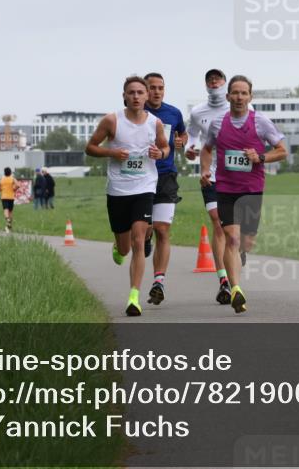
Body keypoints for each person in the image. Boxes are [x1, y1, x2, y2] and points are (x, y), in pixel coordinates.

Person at [199, 75, 288, 314]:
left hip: (252, 190)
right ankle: (236, 289)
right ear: (227, 96)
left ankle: (240, 257)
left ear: (250, 97)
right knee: (232, 238)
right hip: (225, 188)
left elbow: (282, 151)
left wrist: (260, 157)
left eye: (243, 93)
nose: (239, 97)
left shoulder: (261, 122)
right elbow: (207, 149)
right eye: (235, 93)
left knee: (246, 242)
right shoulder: (217, 124)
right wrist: (205, 170)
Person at [85, 76, 169, 317]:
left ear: (146, 96)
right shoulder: (112, 120)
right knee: (124, 248)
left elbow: (165, 148)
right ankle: (117, 248)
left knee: (139, 240)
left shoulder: (155, 123)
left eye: (140, 92)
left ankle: (134, 296)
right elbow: (90, 147)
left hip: (144, 186)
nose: (135, 96)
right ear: (124, 96)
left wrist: (159, 153)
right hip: (118, 190)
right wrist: (111, 152)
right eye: (131, 92)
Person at [185, 69, 235, 304]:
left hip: (237, 175)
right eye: (210, 79)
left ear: (225, 83)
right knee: (217, 221)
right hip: (211, 174)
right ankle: (224, 280)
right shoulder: (197, 112)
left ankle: (235, 251)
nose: (214, 81)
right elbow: (192, 137)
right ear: (206, 84)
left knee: (232, 230)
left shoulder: (238, 107)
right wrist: (189, 149)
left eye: (218, 78)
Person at [142, 72, 188, 306]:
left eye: (160, 87)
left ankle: (158, 281)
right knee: (146, 228)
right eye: (152, 87)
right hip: (140, 178)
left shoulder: (174, 112)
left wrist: (181, 142)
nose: (157, 91)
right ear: (144, 90)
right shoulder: (137, 114)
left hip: (166, 176)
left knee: (162, 228)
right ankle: (145, 238)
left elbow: (183, 133)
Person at [0, 167, 18, 232]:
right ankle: (9, 226)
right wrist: (14, 189)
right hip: (11, 197)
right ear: (10, 172)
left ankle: (7, 219)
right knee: (10, 211)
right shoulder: (13, 179)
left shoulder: (1, 180)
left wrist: (1, 189)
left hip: (4, 197)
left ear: (4, 172)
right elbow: (18, 185)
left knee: (6, 209)